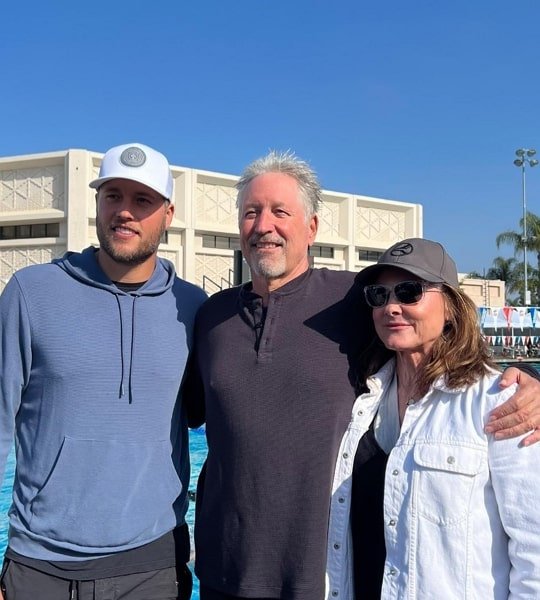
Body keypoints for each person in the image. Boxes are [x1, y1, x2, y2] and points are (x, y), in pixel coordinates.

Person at [186, 151, 540, 600]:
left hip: (323, 578)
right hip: (223, 570)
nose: (264, 225)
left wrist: (529, 379)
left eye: (280, 212)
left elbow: (438, 342)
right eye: (251, 212)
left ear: (311, 228)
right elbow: (190, 412)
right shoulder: (210, 316)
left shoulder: (351, 300)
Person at [0, 142, 207, 600]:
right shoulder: (31, 293)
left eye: (142, 200)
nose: (125, 212)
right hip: (41, 564)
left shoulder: (192, 308)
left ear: (168, 214)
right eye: (113, 195)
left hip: (153, 565)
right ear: (96, 202)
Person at [326, 238, 540, 599]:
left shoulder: (499, 401)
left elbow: (533, 546)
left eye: (410, 292)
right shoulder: (360, 402)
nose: (392, 307)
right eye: (380, 296)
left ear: (452, 308)